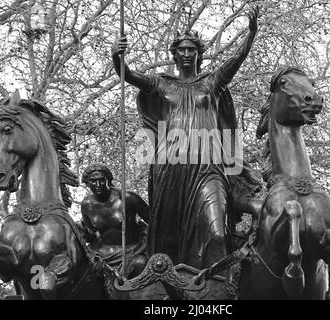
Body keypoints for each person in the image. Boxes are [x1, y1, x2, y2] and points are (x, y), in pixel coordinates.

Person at [112, 7, 260, 270]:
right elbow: (128, 75)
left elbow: (235, 62)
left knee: (216, 232)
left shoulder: (211, 83)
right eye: (182, 49)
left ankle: (214, 288)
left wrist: (250, 34)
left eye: (192, 49)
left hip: (207, 168)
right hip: (171, 168)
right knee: (169, 239)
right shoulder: (161, 84)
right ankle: (169, 283)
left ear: (199, 54)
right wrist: (117, 56)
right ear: (175, 54)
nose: (187, 54)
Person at [78, 163, 149, 279]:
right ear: (87, 183)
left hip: (132, 252)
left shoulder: (128, 198)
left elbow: (153, 221)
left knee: (140, 263)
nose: (98, 185)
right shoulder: (86, 205)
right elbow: (92, 234)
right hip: (104, 256)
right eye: (93, 181)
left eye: (101, 180)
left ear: (108, 180)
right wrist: (85, 234)